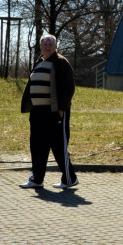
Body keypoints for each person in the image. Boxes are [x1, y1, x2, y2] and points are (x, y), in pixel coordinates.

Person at [19, 33, 79, 190]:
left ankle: (70, 178)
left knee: (58, 146)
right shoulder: (39, 62)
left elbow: (69, 87)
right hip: (37, 112)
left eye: (50, 44)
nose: (47, 47)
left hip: (54, 112)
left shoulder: (61, 62)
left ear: (55, 46)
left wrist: (62, 108)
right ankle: (37, 179)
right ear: (40, 47)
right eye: (45, 44)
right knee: (37, 146)